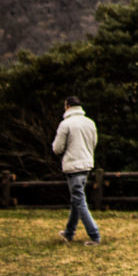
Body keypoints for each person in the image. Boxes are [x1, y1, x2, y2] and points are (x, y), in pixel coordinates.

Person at [52, 96, 101, 246]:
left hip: (73, 165)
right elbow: (94, 142)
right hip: (86, 164)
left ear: (67, 106)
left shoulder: (65, 124)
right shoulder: (90, 123)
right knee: (76, 199)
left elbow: (57, 148)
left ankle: (94, 234)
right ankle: (69, 232)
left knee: (79, 200)